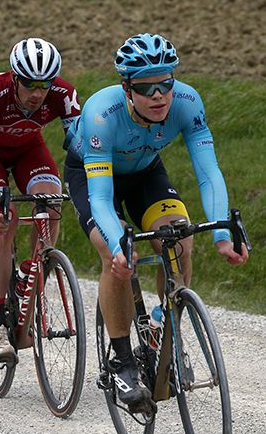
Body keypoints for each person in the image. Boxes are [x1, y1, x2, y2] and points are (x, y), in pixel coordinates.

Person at [64, 33, 249, 407]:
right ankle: (121, 361)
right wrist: (120, 245)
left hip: (146, 172)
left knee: (179, 239)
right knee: (113, 256)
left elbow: (209, 172)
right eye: (146, 89)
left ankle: (163, 327)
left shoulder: (187, 102)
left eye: (166, 83)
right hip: (94, 177)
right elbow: (100, 198)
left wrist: (223, 235)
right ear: (127, 88)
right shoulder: (102, 113)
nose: (159, 96)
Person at [0, 38, 81, 361]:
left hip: (28, 148)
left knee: (51, 201)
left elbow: (83, 150)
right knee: (7, 218)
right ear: (15, 77)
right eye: (29, 84)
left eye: (45, 84)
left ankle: (32, 272)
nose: (37, 93)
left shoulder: (64, 95)